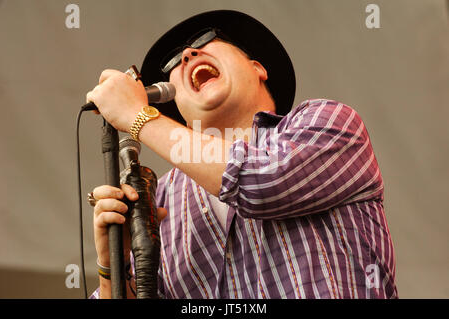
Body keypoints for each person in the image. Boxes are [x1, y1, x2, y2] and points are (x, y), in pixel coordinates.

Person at [87, 10, 398, 299]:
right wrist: (112, 263)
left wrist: (138, 116)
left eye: (206, 41)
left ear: (257, 68)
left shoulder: (328, 122)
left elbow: (261, 181)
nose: (188, 54)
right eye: (173, 63)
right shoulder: (161, 200)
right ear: (174, 100)